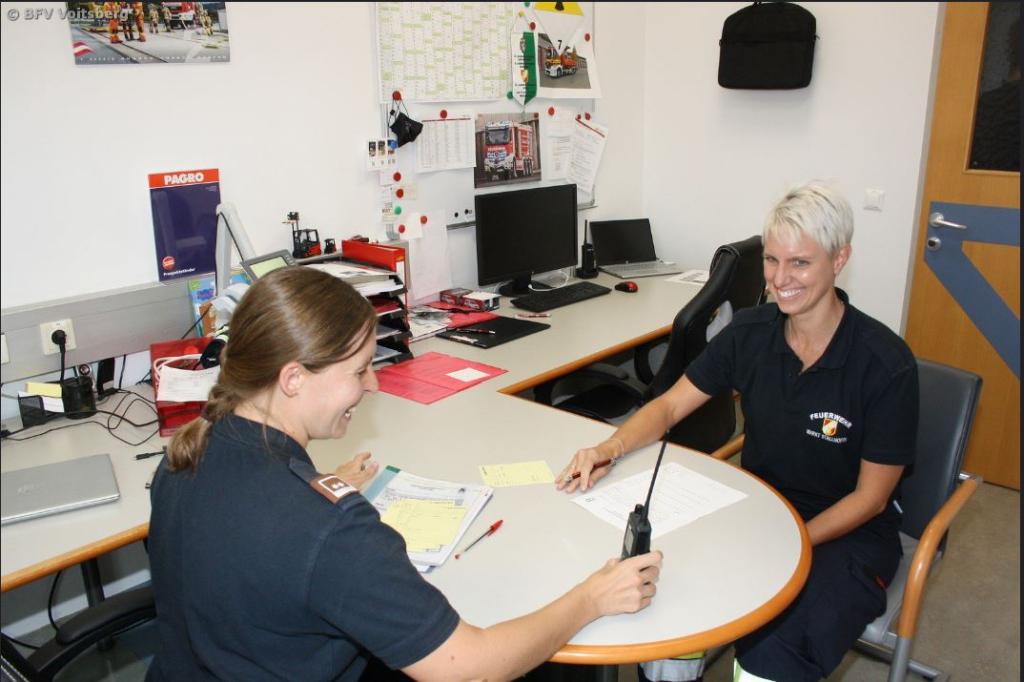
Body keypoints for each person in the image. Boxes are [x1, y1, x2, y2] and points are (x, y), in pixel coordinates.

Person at [147, 267, 663, 682]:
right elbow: (471, 669)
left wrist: (316, 486)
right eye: (359, 370)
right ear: (294, 379)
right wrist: (591, 598)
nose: (373, 385)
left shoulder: (185, 456)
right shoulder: (332, 530)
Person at [557, 182, 918, 682]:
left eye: (800, 263)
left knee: (778, 648)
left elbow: (871, 499)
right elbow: (669, 406)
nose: (780, 279)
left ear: (839, 259)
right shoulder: (750, 331)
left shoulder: (885, 364)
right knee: (666, 601)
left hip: (848, 533)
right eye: (772, 260)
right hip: (760, 507)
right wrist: (610, 447)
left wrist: (793, 541)